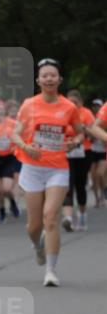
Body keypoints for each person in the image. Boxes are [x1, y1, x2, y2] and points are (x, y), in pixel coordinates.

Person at [11, 59, 84, 287]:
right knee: (34, 226)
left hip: (57, 169)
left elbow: (80, 134)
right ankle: (37, 245)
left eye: (53, 75)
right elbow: (15, 134)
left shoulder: (68, 107)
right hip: (32, 168)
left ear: (59, 80)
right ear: (38, 81)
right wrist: (25, 147)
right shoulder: (29, 105)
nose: (49, 79)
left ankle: (51, 271)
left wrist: (74, 143)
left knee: (51, 217)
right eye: (45, 76)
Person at [61, 90, 95, 231]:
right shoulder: (62, 113)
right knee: (68, 185)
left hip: (84, 153)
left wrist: (84, 131)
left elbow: (93, 133)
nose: (72, 105)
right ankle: (68, 218)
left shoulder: (86, 113)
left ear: (80, 103)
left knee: (80, 186)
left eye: (74, 102)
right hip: (66, 154)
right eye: (69, 102)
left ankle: (82, 215)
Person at [87, 98, 106, 207]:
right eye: (94, 106)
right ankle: (97, 198)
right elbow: (90, 134)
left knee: (100, 174)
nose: (96, 108)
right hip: (93, 150)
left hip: (103, 151)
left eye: (98, 106)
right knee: (94, 176)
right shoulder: (91, 119)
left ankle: (103, 194)